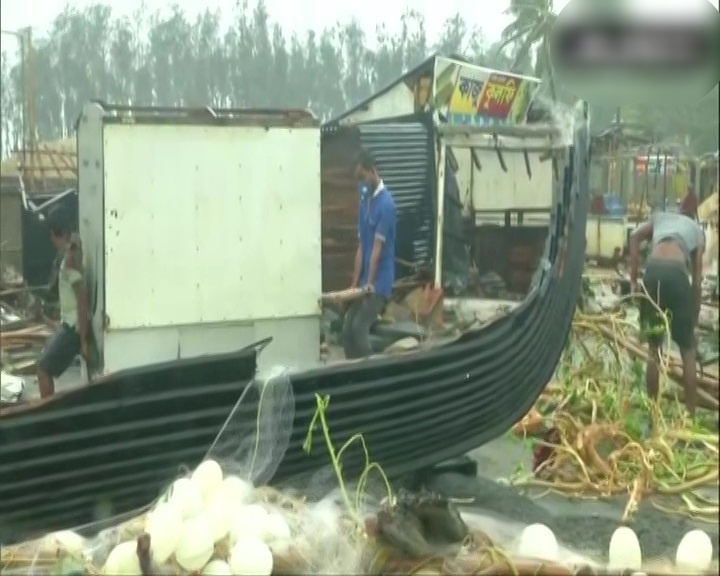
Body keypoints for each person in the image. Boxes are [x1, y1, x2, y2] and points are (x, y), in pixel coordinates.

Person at [629, 206, 705, 418]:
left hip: (653, 272)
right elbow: (697, 281)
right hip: (676, 273)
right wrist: (694, 323)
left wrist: (633, 280)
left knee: (654, 348)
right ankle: (690, 419)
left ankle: (653, 413)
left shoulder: (660, 218)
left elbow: (634, 237)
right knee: (687, 351)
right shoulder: (697, 232)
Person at [342, 149, 397, 359]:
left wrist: (369, 286)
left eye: (362, 178)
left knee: (359, 327)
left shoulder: (387, 206)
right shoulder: (364, 200)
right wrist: (354, 285)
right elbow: (362, 246)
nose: (361, 184)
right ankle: (350, 373)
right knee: (347, 327)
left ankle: (370, 372)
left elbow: (376, 250)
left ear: (373, 171)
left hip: (380, 282)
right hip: (365, 281)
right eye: (358, 180)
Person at [36, 212, 89, 398]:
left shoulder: (70, 260)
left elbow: (82, 299)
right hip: (69, 324)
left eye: (51, 236)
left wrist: (83, 341)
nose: (51, 240)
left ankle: (49, 416)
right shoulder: (72, 252)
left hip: (73, 329)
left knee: (43, 370)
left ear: (54, 234)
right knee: (42, 365)